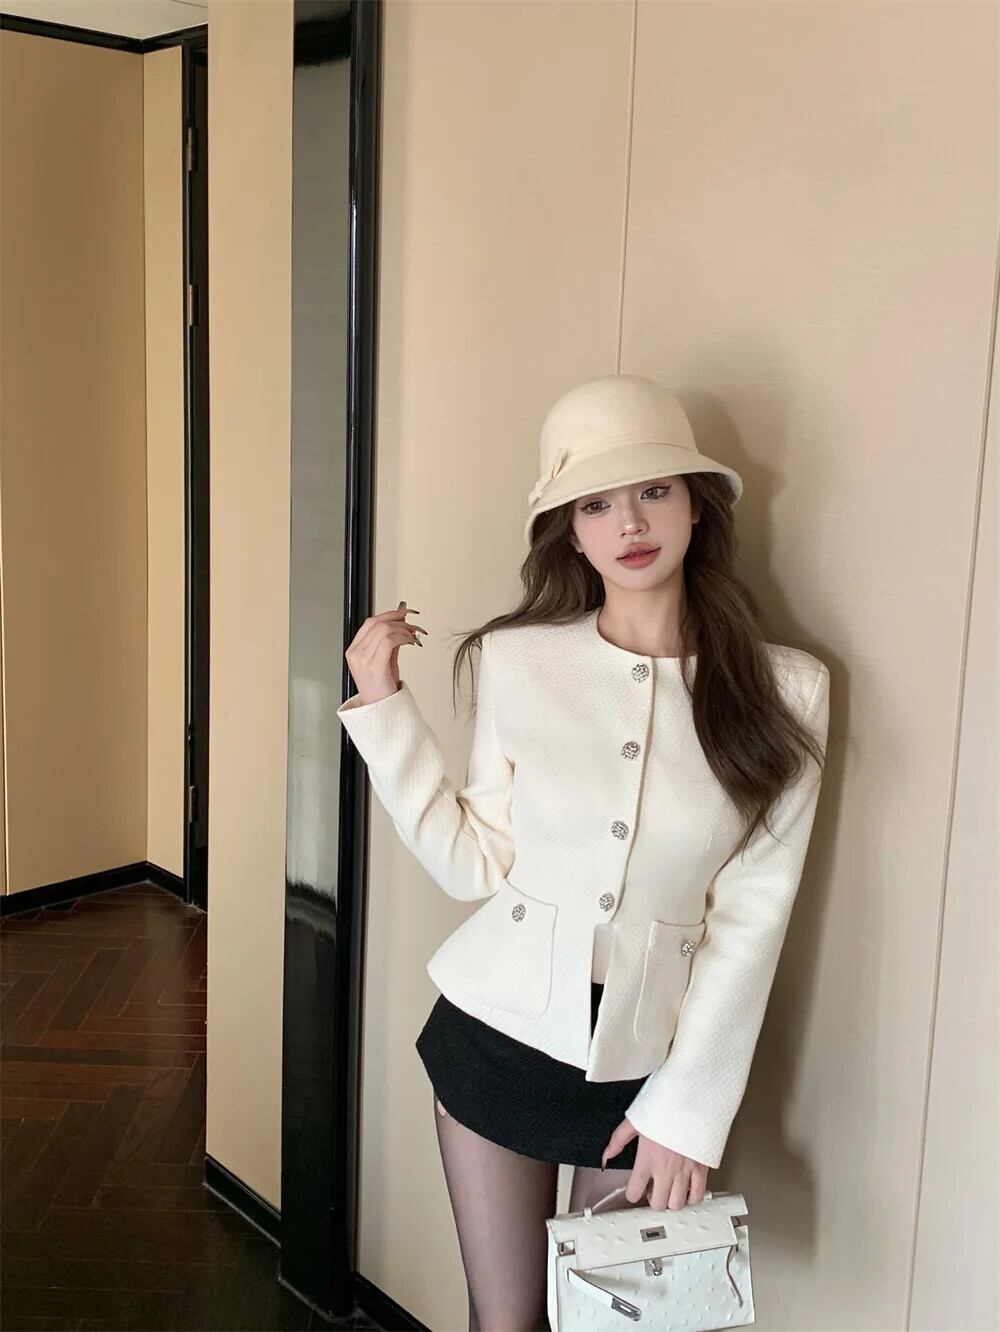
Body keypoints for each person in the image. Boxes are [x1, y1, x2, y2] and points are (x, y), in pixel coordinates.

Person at [337, 373, 831, 1332]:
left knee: (615, 1326)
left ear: (697, 505)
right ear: (569, 529)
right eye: (596, 503)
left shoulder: (789, 690)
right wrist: (384, 709)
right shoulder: (519, 660)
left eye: (654, 490)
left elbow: (754, 917)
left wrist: (689, 1112)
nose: (629, 523)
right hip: (498, 1037)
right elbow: (472, 863)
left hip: (651, 1064)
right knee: (506, 1321)